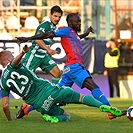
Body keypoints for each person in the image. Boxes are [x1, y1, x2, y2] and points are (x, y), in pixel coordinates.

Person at [16, 13, 126, 119]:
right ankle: (110, 110)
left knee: (54, 95)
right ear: (70, 22)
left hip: (68, 70)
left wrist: (86, 34)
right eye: (77, 22)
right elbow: (49, 34)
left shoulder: (73, 34)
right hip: (74, 68)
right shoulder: (65, 30)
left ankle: (27, 109)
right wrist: (28, 38)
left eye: (80, 21)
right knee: (93, 87)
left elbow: (78, 37)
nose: (79, 24)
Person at [0, 45, 123, 122]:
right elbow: (14, 63)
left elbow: (5, 106)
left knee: (66, 116)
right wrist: (22, 53)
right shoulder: (13, 65)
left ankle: (54, 119)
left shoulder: (2, 82)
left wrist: (10, 120)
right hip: (49, 91)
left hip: (40, 105)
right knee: (81, 97)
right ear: (7, 60)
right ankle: (101, 106)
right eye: (12, 55)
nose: (14, 56)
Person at [15, 5, 64, 118]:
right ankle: (24, 108)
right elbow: (37, 39)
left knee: (57, 73)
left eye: (59, 17)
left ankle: (53, 97)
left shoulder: (53, 26)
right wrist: (48, 49)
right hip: (34, 56)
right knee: (28, 82)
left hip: (43, 57)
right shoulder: (45, 25)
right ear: (50, 15)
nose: (57, 18)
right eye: (55, 16)